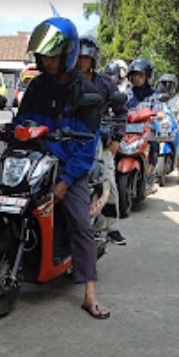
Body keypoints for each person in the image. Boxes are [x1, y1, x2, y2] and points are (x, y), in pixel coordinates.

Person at [0, 17, 110, 319]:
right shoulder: (37, 86)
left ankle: (89, 293)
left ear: (67, 53)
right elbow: (23, 122)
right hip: (35, 159)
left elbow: (85, 147)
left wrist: (66, 181)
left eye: (53, 55)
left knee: (80, 221)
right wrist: (4, 128)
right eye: (43, 55)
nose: (47, 61)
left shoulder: (88, 94)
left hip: (69, 164)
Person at [76, 35, 127, 246]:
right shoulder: (65, 81)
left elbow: (121, 111)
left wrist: (116, 139)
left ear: (93, 60)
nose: (82, 62)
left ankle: (112, 228)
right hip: (68, 138)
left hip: (97, 138)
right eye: (78, 57)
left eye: (86, 58)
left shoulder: (105, 83)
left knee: (108, 180)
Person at [125, 58, 159, 192]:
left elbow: (160, 109)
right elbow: (117, 107)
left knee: (154, 139)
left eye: (141, 75)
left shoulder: (153, 95)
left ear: (148, 76)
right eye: (135, 75)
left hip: (146, 129)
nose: (137, 78)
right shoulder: (127, 94)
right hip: (127, 130)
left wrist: (159, 114)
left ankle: (151, 172)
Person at [157, 73, 179, 185]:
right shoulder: (156, 97)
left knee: (178, 150)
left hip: (172, 125)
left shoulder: (177, 99)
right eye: (164, 84)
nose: (167, 86)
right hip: (158, 125)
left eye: (170, 84)